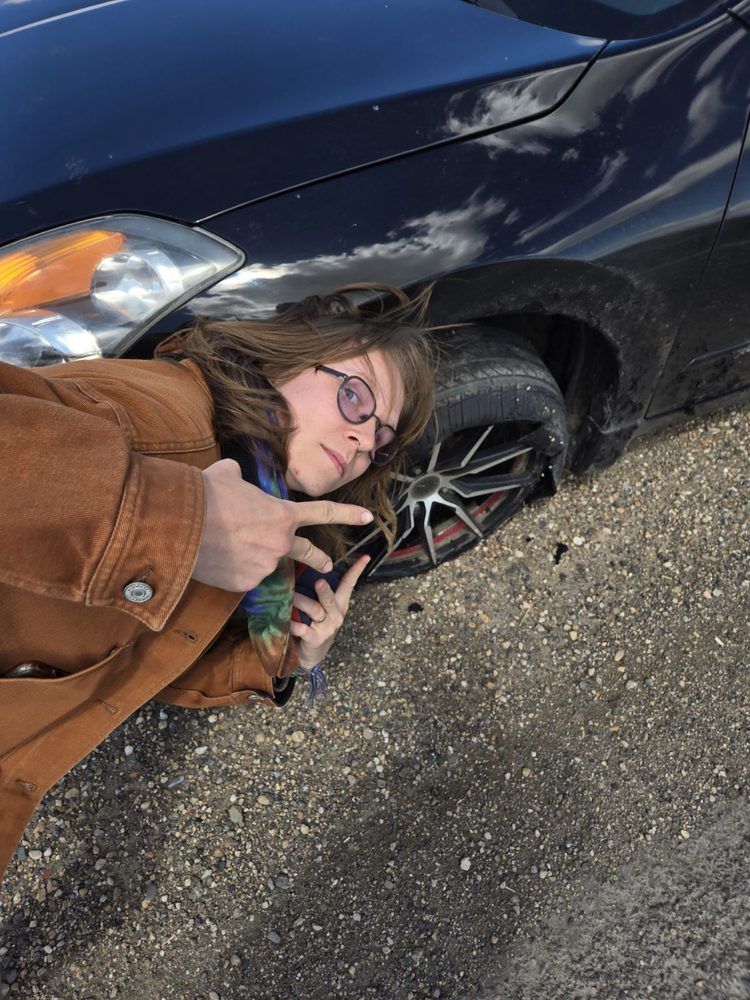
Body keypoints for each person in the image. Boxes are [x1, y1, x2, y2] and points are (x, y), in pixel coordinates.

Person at [0, 283, 436, 882]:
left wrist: (291, 656)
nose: (364, 441)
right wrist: (175, 522)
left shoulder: (257, 507)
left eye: (382, 441)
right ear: (289, 355)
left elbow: (148, 657)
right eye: (356, 397)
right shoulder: (167, 420)